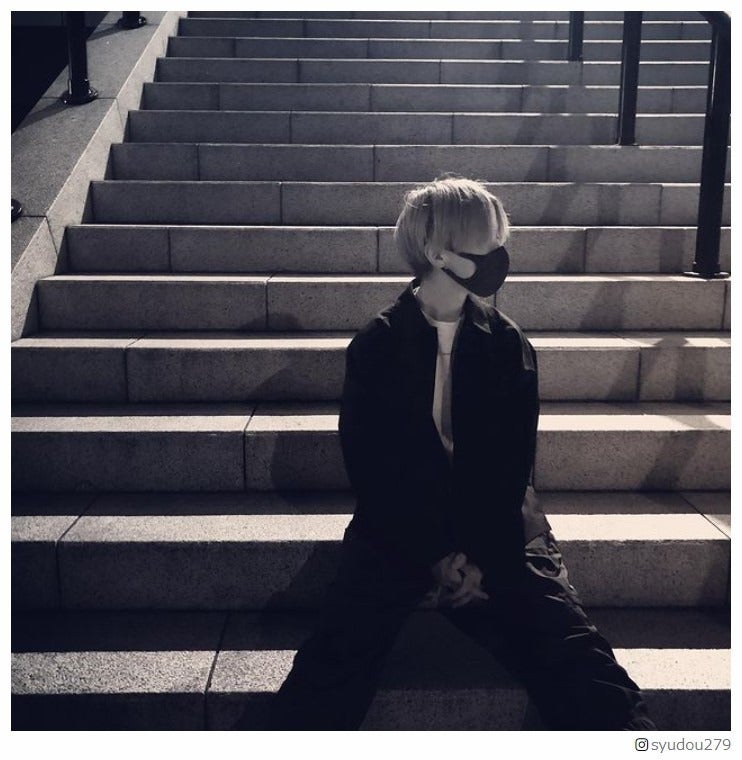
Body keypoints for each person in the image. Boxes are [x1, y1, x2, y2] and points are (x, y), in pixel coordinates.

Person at [260, 176, 656, 731]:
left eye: (499, 239)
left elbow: (511, 468)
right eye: (485, 241)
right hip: (399, 526)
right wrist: (435, 554)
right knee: (337, 650)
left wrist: (479, 556)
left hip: (499, 525)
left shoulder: (506, 342)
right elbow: (376, 470)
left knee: (572, 645)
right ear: (436, 251)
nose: (498, 253)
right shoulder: (378, 344)